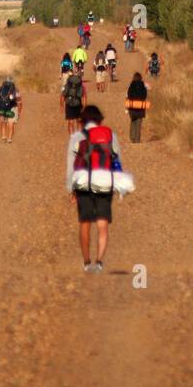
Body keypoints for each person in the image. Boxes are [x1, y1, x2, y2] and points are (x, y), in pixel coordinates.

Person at [65, 105, 124, 272]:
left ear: (82, 121)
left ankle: (86, 262)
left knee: (85, 223)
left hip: (83, 184)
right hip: (104, 183)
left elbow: (71, 166)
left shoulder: (76, 137)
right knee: (102, 224)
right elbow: (116, 161)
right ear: (100, 120)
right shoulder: (110, 136)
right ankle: (99, 262)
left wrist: (71, 188)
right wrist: (117, 184)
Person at [0, 78, 23, 144]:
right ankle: (9, 139)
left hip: (2, 108)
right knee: (11, 123)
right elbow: (19, 102)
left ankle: (3, 136)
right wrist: (19, 112)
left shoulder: (0, 89)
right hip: (12, 108)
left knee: (3, 122)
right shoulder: (16, 91)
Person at [125, 71, 149, 143]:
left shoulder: (131, 85)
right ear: (140, 78)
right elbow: (145, 95)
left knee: (133, 121)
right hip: (141, 106)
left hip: (132, 106)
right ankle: (137, 139)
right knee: (139, 122)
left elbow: (128, 95)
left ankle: (132, 137)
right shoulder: (143, 85)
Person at [62, 67, 86, 133]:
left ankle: (72, 137)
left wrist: (62, 105)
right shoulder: (80, 84)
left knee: (70, 122)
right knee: (78, 121)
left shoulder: (68, 84)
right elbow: (84, 96)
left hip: (69, 103)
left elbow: (63, 95)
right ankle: (78, 136)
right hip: (78, 103)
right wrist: (84, 106)